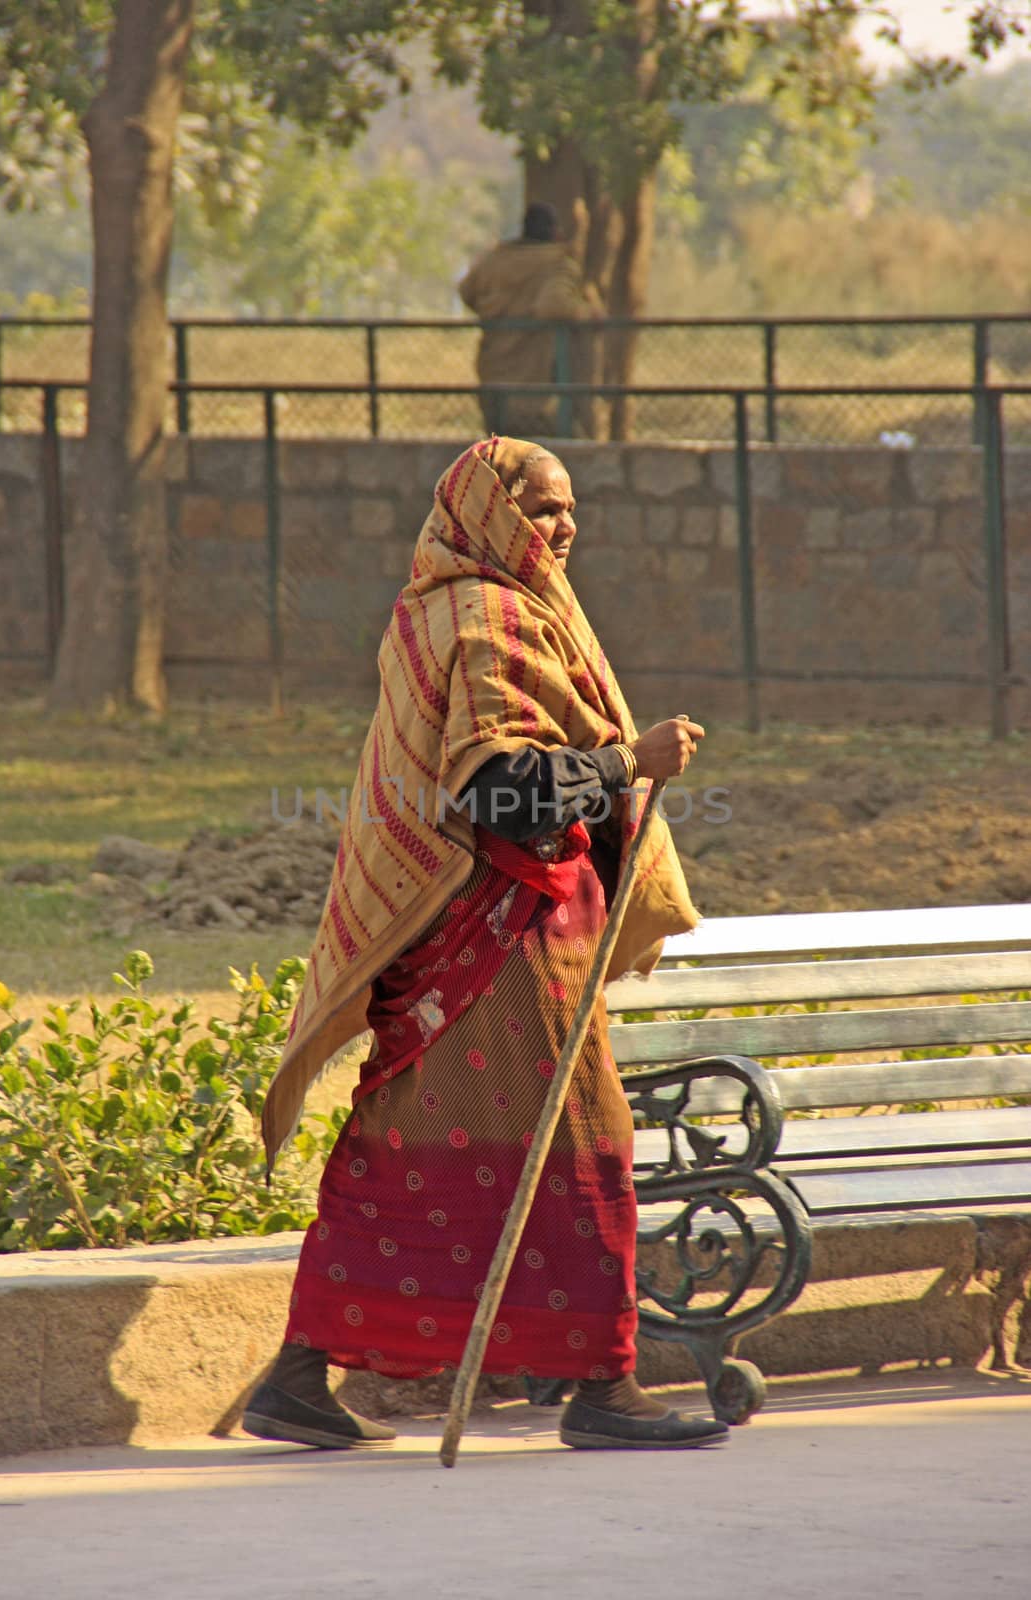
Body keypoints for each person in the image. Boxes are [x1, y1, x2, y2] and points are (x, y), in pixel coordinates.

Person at [244, 436, 726, 1453]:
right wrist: (622, 762)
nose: (563, 526)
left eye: (570, 509)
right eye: (543, 509)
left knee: (429, 1153)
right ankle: (600, 1386)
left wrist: (612, 781)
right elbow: (491, 792)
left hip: (508, 942)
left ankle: (302, 1376)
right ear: (488, 515)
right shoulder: (479, 617)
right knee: (563, 1140)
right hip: (492, 945)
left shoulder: (494, 608)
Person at [458, 203, 601, 438]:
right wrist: (588, 313)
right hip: (533, 378)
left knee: (499, 445)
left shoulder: (495, 260)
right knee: (547, 443)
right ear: (555, 233)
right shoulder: (557, 264)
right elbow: (553, 305)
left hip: (493, 368)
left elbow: (466, 291)